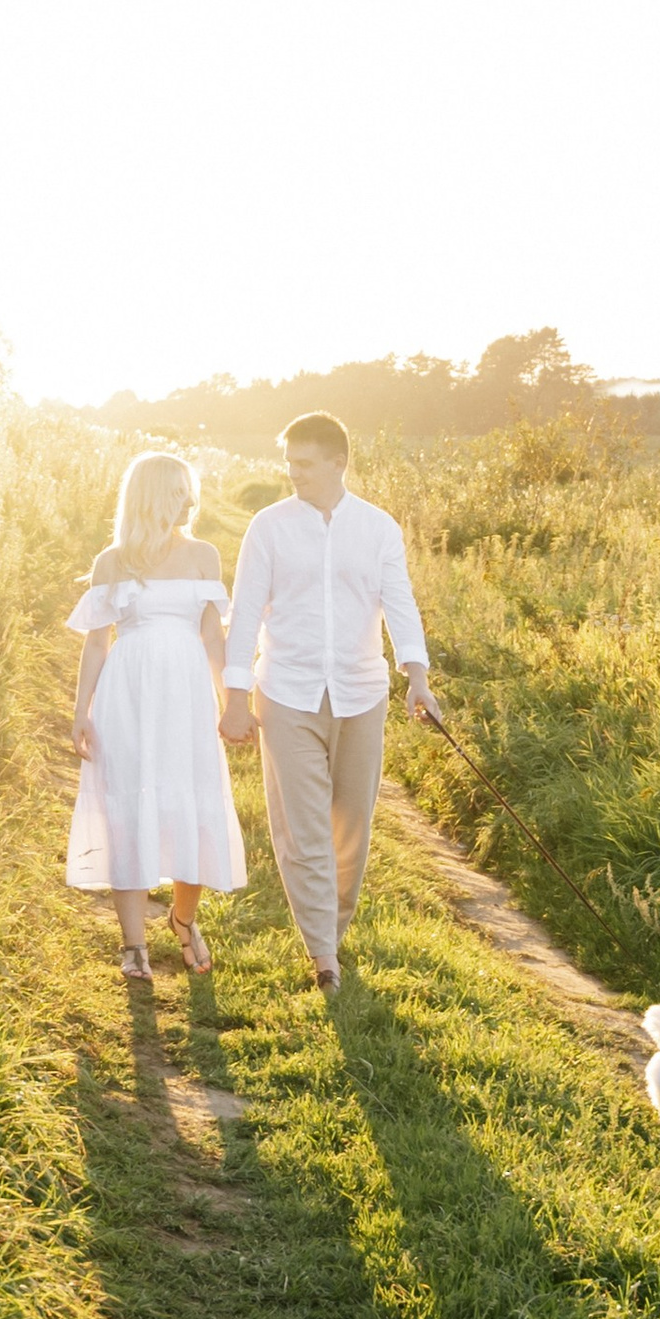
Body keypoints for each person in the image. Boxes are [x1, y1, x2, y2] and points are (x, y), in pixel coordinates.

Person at [224, 411, 433, 996]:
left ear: (338, 463)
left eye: (305, 463)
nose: (293, 473)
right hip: (286, 692)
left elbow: (400, 605)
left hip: (361, 694)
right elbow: (245, 613)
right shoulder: (268, 527)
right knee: (304, 829)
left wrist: (418, 679)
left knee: (351, 828)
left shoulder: (379, 529)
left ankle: (331, 934)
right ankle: (324, 956)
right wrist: (234, 697)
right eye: (289, 462)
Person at [66, 449, 249, 983]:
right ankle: (134, 946)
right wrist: (81, 711)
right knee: (127, 809)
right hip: (127, 694)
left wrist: (232, 701)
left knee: (191, 803)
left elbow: (213, 637)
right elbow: (97, 643)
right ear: (149, 496)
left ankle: (183, 919)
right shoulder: (112, 562)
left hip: (186, 696)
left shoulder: (203, 556)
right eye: (175, 492)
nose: (187, 502)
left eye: (189, 492)